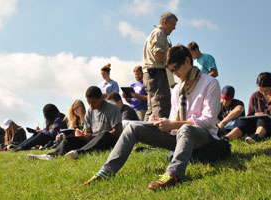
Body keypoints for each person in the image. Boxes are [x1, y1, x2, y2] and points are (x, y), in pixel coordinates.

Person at [83, 45, 221, 190]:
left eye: (176, 69)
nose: (174, 74)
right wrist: (160, 122)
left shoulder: (210, 83)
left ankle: (173, 175)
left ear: (187, 61)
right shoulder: (176, 89)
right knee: (132, 128)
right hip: (177, 136)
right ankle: (107, 171)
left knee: (186, 128)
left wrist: (173, 124)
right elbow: (173, 119)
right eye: (171, 70)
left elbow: (208, 121)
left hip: (203, 137)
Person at [62, 86, 122, 160]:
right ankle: (52, 155)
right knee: (68, 139)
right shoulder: (90, 111)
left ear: (101, 98)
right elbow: (88, 132)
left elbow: (117, 132)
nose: (91, 105)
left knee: (105, 134)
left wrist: (94, 136)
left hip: (109, 141)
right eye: (89, 103)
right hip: (93, 141)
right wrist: (83, 134)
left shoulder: (112, 107)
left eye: (93, 102)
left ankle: (79, 153)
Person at [142, 12, 177, 121]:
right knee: (161, 104)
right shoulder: (159, 33)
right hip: (157, 74)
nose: (174, 28)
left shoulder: (158, 33)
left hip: (152, 74)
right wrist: (171, 64)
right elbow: (158, 53)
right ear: (165, 22)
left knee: (152, 107)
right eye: (173, 24)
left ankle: (144, 134)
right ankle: (159, 134)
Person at [223, 72, 271, 144]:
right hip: (255, 125)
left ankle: (256, 137)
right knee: (246, 121)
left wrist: (264, 114)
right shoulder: (255, 96)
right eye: (261, 90)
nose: (263, 93)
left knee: (263, 118)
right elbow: (250, 115)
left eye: (267, 90)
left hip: (268, 125)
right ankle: (227, 137)